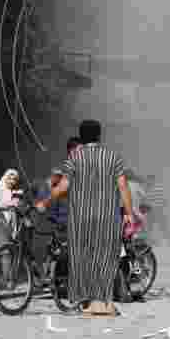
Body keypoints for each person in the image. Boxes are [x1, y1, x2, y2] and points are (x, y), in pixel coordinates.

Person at [40, 120, 135, 316]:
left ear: (81, 137)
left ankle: (90, 304)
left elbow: (63, 187)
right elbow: (123, 187)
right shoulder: (112, 157)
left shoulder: (74, 159)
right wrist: (129, 213)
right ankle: (105, 304)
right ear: (99, 136)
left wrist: (46, 201)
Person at [0, 169, 25, 286]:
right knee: (5, 251)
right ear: (5, 178)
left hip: (14, 223)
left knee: (15, 251)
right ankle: (7, 280)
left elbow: (22, 206)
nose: (12, 181)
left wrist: (22, 210)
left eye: (14, 179)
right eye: (9, 178)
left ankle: (9, 278)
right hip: (0, 222)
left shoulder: (17, 192)